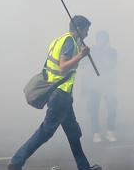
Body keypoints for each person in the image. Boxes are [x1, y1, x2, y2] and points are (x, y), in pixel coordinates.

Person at [8, 15, 102, 170]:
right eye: (86, 30)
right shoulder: (69, 42)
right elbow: (63, 67)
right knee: (46, 131)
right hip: (60, 94)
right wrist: (81, 55)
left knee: (73, 133)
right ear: (79, 29)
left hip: (61, 94)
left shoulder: (60, 40)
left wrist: (81, 55)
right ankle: (17, 161)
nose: (87, 34)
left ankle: (84, 167)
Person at [81, 31, 118, 143]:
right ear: (97, 40)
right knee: (94, 108)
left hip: (106, 83)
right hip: (93, 83)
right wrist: (84, 55)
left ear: (107, 40)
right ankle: (96, 132)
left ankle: (110, 131)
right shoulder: (90, 50)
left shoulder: (112, 52)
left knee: (112, 105)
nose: (102, 41)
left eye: (104, 39)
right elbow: (82, 65)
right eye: (100, 39)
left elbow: (111, 66)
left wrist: (103, 59)